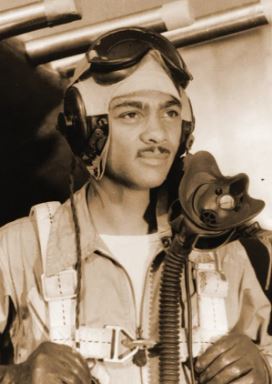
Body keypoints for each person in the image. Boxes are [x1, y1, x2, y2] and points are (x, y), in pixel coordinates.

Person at [0, 26, 271, 384]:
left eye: (170, 114)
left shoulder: (232, 250)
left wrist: (265, 365)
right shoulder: (20, 248)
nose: (158, 134)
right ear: (86, 127)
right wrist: (14, 376)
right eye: (132, 114)